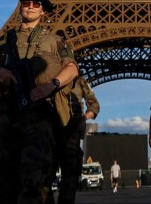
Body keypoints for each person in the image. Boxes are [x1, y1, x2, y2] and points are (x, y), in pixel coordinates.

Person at [0, 0, 78, 204]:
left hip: (39, 118)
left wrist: (52, 85)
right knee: (3, 184)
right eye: (26, 3)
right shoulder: (4, 42)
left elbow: (72, 68)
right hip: (8, 118)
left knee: (36, 183)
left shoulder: (55, 41)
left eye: (35, 4)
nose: (30, 6)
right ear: (21, 7)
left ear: (43, 11)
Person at [56, 76, 100, 204]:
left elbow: (95, 105)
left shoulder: (80, 81)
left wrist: (84, 118)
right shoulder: (46, 77)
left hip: (70, 137)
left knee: (70, 179)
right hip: (48, 134)